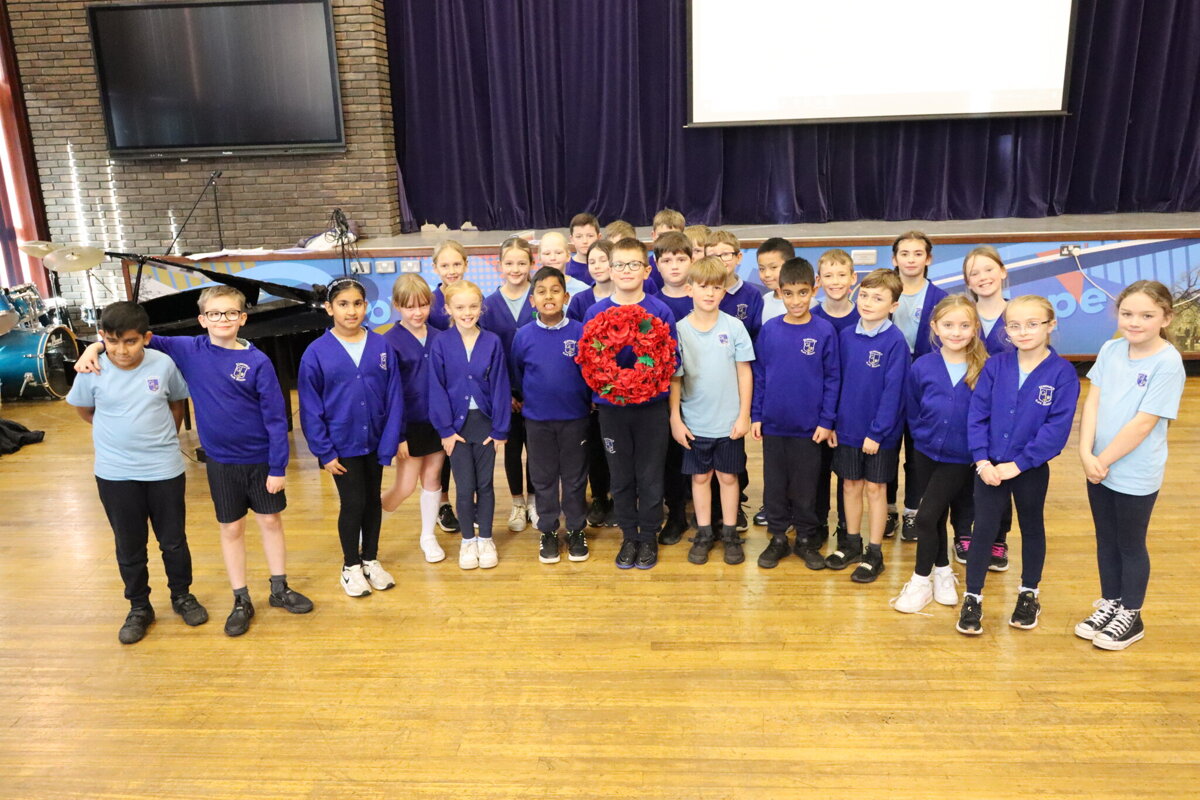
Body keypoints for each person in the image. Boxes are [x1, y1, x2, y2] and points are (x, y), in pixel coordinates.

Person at [75, 285, 312, 637]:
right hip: (220, 463)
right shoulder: (188, 349)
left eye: (231, 313)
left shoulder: (258, 361)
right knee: (231, 529)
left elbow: (277, 419)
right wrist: (95, 345)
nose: (223, 320)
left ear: (243, 318)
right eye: (214, 314)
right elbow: (139, 338)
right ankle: (240, 598)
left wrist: (278, 467)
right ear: (202, 320)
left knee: (271, 523)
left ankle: (279, 589)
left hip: (260, 460)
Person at [66, 301, 207, 644]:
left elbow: (176, 403)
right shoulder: (93, 368)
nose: (121, 349)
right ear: (102, 338)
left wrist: (162, 439)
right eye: (112, 341)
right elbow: (87, 411)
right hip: (115, 474)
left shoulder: (164, 363)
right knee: (129, 545)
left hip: (164, 470)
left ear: (146, 338)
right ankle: (139, 606)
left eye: (130, 341)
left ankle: (182, 595)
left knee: (173, 541)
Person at [957, 295, 1080, 635]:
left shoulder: (1063, 373)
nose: (1022, 331)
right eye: (1014, 325)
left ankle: (1029, 593)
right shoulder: (996, 366)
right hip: (989, 468)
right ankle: (972, 597)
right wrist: (981, 460)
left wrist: (1019, 464)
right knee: (982, 529)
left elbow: (1056, 429)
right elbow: (977, 414)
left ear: (1050, 325)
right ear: (1006, 330)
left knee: (1031, 526)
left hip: (1030, 470)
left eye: (1032, 324)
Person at [1075, 281, 1185, 650]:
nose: (1134, 322)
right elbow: (1093, 401)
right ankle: (1110, 602)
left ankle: (1131, 614)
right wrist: (1085, 452)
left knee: (1130, 543)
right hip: (1098, 468)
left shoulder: (1168, 363)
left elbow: (1143, 423)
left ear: (1165, 317)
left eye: (1146, 315)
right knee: (1105, 540)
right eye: (1127, 314)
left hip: (1133, 473)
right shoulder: (1110, 349)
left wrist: (1101, 461)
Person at [298, 277, 405, 597]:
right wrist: (324, 451)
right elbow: (310, 407)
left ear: (366, 306)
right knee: (353, 501)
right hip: (341, 443)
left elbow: (394, 395)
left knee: (373, 501)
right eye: (343, 304)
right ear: (329, 308)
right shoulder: (316, 353)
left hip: (375, 441)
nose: (351, 311)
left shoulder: (381, 345)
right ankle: (350, 566)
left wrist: (390, 440)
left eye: (357, 303)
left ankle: (371, 559)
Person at [584, 237, 679, 569]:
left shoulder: (660, 310)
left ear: (646, 269)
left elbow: (670, 360)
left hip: (651, 409)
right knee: (620, 475)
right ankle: (629, 536)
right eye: (620, 265)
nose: (626, 271)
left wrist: (641, 380)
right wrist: (615, 386)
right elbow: (589, 362)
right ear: (609, 269)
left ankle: (649, 536)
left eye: (634, 264)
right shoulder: (596, 312)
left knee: (651, 474)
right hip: (612, 411)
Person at [891, 296, 988, 614]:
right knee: (938, 515)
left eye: (964, 325)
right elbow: (913, 405)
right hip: (926, 452)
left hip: (961, 458)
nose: (956, 332)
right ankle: (943, 571)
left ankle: (921, 581)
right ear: (934, 327)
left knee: (925, 517)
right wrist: (921, 438)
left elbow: (988, 414)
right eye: (948, 325)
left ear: (975, 328)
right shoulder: (924, 365)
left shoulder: (984, 367)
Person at [751, 258, 840, 570]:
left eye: (803, 293)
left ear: (814, 289)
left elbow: (832, 379)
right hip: (774, 426)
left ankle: (805, 538)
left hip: (809, 428)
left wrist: (826, 421)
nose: (796, 300)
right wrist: (756, 415)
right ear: (779, 292)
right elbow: (760, 374)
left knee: (806, 487)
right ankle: (777, 538)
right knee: (774, 485)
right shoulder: (770, 331)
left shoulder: (824, 331)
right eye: (788, 294)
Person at [826, 268, 910, 583]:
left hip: (879, 435)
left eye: (878, 298)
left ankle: (874, 552)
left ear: (893, 306)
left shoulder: (895, 342)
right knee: (850, 485)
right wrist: (832, 422)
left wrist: (877, 432)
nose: (868, 302)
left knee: (875, 488)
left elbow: (894, 393)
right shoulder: (845, 336)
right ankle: (851, 543)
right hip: (846, 428)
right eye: (864, 295)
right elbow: (836, 381)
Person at [670, 257, 755, 565]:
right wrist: (675, 419)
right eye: (703, 287)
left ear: (724, 292)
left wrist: (744, 414)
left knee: (729, 478)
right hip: (695, 423)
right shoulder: (678, 331)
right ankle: (704, 532)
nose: (709, 293)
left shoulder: (734, 327)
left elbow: (745, 372)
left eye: (716, 288)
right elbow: (675, 379)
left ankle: (730, 533)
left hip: (729, 423)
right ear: (690, 289)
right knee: (701, 479)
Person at [511, 267, 593, 563]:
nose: (549, 296)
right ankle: (547, 530)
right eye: (542, 291)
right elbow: (518, 374)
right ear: (532, 300)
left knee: (574, 477)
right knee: (543, 478)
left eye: (555, 290)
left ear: (566, 296)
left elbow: (590, 372)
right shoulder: (523, 336)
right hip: (537, 421)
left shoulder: (581, 331)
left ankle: (575, 529)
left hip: (575, 418)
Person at [428, 280, 511, 570]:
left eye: (473, 306)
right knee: (464, 487)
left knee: (485, 485)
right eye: (460, 307)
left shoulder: (492, 342)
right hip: (456, 428)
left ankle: (486, 538)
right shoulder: (440, 343)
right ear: (448, 308)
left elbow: (501, 386)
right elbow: (436, 388)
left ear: (481, 307)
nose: (467, 312)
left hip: (485, 425)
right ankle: (468, 541)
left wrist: (500, 429)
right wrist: (446, 430)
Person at [381, 274, 447, 564]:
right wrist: (398, 435)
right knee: (405, 486)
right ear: (397, 306)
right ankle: (369, 528)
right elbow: (387, 394)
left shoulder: (439, 337)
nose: (417, 312)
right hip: (408, 427)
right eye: (409, 307)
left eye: (422, 305)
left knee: (433, 480)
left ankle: (428, 536)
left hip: (437, 423)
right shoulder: (388, 342)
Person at [890, 231, 948, 542]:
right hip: (885, 386)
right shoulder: (881, 291)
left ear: (928, 259)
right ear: (894, 259)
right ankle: (887, 509)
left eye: (917, 253)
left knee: (916, 453)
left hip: (924, 391)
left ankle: (913, 511)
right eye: (904, 253)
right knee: (884, 450)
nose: (911, 259)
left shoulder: (940, 299)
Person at [961, 245, 1015, 568]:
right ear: (968, 282)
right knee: (966, 472)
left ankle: (998, 538)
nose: (982, 277)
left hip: (1005, 411)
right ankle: (965, 532)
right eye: (974, 273)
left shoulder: (1019, 314)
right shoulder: (963, 316)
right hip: (966, 406)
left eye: (988, 269)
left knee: (999, 472)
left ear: (1003, 271)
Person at [481, 237, 537, 532]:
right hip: (505, 394)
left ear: (531, 264)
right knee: (513, 449)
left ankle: (535, 501)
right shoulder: (488, 306)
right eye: (509, 263)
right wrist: (504, 395)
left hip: (539, 392)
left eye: (522, 263)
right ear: (500, 266)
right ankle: (517, 502)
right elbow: (488, 356)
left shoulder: (539, 297)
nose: (515, 269)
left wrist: (532, 392)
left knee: (538, 450)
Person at [806, 248, 861, 537]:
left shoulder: (864, 318)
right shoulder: (810, 318)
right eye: (828, 275)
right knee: (817, 472)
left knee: (847, 475)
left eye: (842, 275)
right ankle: (816, 525)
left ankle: (845, 526)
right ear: (818, 280)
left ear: (854, 278)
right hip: (818, 413)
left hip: (851, 414)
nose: (836, 281)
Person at [649, 232, 697, 546]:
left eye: (681, 259)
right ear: (656, 265)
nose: (675, 266)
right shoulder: (652, 301)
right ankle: (676, 513)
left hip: (703, 390)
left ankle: (717, 513)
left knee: (706, 450)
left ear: (692, 260)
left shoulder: (704, 294)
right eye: (667, 260)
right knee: (670, 457)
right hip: (665, 392)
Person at [566, 239, 619, 528]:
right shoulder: (580, 302)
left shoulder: (630, 296)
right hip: (592, 389)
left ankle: (624, 498)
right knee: (596, 448)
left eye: (603, 260)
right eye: (593, 262)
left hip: (624, 389)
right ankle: (599, 497)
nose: (598, 266)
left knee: (620, 447)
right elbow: (577, 348)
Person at [426, 240, 467, 534]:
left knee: (467, 448)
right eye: (445, 265)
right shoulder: (428, 303)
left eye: (456, 264)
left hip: (468, 387)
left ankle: (469, 501)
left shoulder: (472, 296)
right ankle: (443, 503)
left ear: (466, 264)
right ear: (435, 268)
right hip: (442, 384)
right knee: (443, 451)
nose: (451, 271)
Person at [755, 237, 796, 324]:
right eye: (762, 269)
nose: (767, 274)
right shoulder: (764, 301)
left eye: (773, 267)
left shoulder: (806, 303)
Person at [648, 207, 686, 289]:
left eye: (673, 236)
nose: (667, 241)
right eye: (661, 236)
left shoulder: (689, 265)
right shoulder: (644, 266)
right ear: (653, 235)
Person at [566, 212, 601, 286]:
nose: (585, 241)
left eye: (590, 236)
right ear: (571, 239)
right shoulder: (566, 269)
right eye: (579, 237)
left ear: (598, 237)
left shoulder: (606, 266)